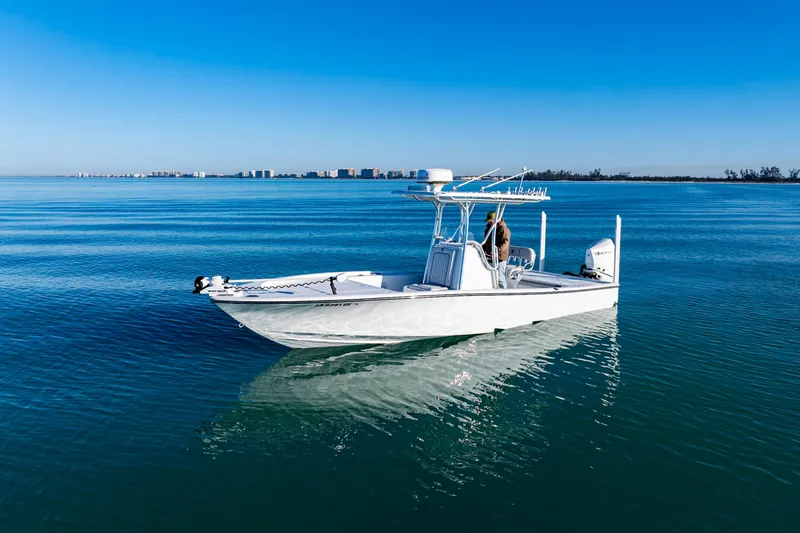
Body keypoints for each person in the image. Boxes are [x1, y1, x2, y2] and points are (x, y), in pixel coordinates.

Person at [482, 211, 510, 288]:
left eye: (491, 221)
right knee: (489, 275)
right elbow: (486, 241)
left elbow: (505, 242)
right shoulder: (488, 229)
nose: (490, 222)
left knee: (500, 277)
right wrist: (481, 250)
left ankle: (504, 293)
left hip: (500, 256)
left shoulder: (504, 229)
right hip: (489, 255)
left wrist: (497, 251)